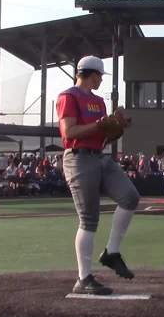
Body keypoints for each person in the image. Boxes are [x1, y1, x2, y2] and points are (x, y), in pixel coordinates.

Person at [56, 55, 140, 296]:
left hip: (99, 156)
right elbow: (69, 132)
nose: (101, 80)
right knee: (89, 219)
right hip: (78, 158)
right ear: (92, 74)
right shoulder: (68, 96)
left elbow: (103, 136)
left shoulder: (98, 101)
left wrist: (117, 127)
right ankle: (83, 279)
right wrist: (100, 125)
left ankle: (111, 253)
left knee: (130, 197)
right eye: (100, 76)